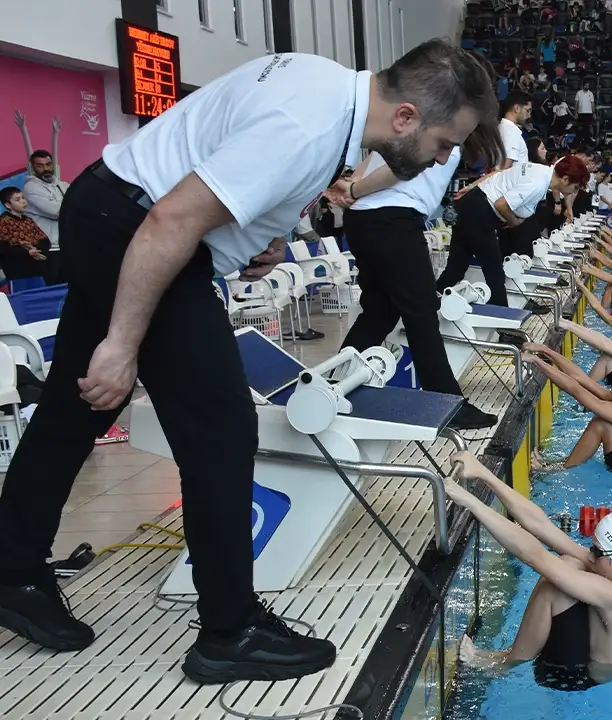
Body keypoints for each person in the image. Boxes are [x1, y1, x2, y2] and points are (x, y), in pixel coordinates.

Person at [0, 41, 497, 685]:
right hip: (140, 228)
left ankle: (13, 570)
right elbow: (170, 221)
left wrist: (263, 235)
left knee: (74, 405)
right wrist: (122, 347)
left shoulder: (325, 85)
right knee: (222, 426)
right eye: (441, 142)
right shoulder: (308, 126)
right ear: (405, 116)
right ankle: (229, 633)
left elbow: (227, 163)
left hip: (110, 209)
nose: (438, 159)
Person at [449, 451, 612, 690]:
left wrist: (470, 502)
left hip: (572, 675)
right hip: (603, 655)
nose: (589, 552)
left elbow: (533, 556)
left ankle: (502, 664)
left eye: (595, 549)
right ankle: (507, 659)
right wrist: (482, 473)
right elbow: (542, 526)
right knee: (570, 562)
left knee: (556, 584)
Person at [338, 131, 503, 430]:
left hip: (365, 219)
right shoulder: (439, 122)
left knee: (380, 313)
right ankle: (447, 404)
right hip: (392, 218)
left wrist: (353, 190)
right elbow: (401, 169)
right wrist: (356, 189)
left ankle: (334, 382)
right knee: (422, 313)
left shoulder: (406, 124)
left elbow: (374, 157)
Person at [438, 157, 589, 308]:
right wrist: (513, 222)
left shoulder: (538, 169)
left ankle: (429, 305)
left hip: (472, 205)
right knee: (494, 273)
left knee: (456, 268)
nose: (573, 192)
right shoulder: (537, 184)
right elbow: (501, 204)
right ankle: (504, 323)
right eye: (575, 187)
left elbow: (499, 173)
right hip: (479, 213)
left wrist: (472, 186)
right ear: (565, 179)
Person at [522, 343, 612, 471]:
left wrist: (536, 361)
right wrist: (545, 350)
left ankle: (558, 469)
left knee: (601, 423)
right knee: (604, 422)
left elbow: (574, 389)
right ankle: (560, 463)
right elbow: (581, 378)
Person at [13, 112, 67, 282]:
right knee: (52, 294)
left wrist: (55, 135)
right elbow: (57, 212)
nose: (45, 168)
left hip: (66, 247)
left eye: (48, 164)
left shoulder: (61, 185)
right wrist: (23, 130)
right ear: (33, 167)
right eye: (40, 166)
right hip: (47, 250)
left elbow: (80, 207)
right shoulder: (31, 187)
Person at [0, 188, 57, 285]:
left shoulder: (28, 220)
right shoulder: (3, 222)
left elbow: (45, 241)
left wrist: (36, 251)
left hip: (38, 270)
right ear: (8, 205)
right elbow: (3, 248)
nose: (23, 201)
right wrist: (27, 252)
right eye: (17, 200)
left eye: (23, 198)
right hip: (17, 273)